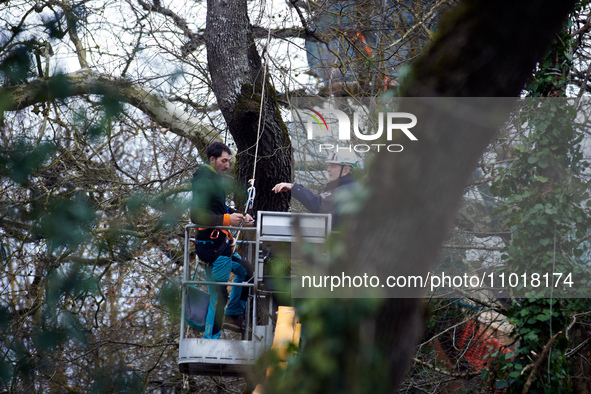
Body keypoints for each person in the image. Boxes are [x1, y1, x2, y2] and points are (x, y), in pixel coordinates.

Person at [190, 142, 254, 339]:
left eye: (229, 161)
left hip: (222, 246)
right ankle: (210, 341)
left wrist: (240, 215)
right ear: (212, 159)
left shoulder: (213, 180)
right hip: (214, 248)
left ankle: (233, 315)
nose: (227, 166)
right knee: (219, 296)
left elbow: (220, 209)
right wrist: (227, 220)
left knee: (247, 272)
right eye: (224, 161)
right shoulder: (204, 181)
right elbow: (196, 215)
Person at [271, 151, 359, 227]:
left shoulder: (347, 190)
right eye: (329, 166)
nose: (328, 169)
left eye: (333, 166)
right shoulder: (347, 187)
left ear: (346, 170)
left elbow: (319, 205)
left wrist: (294, 188)